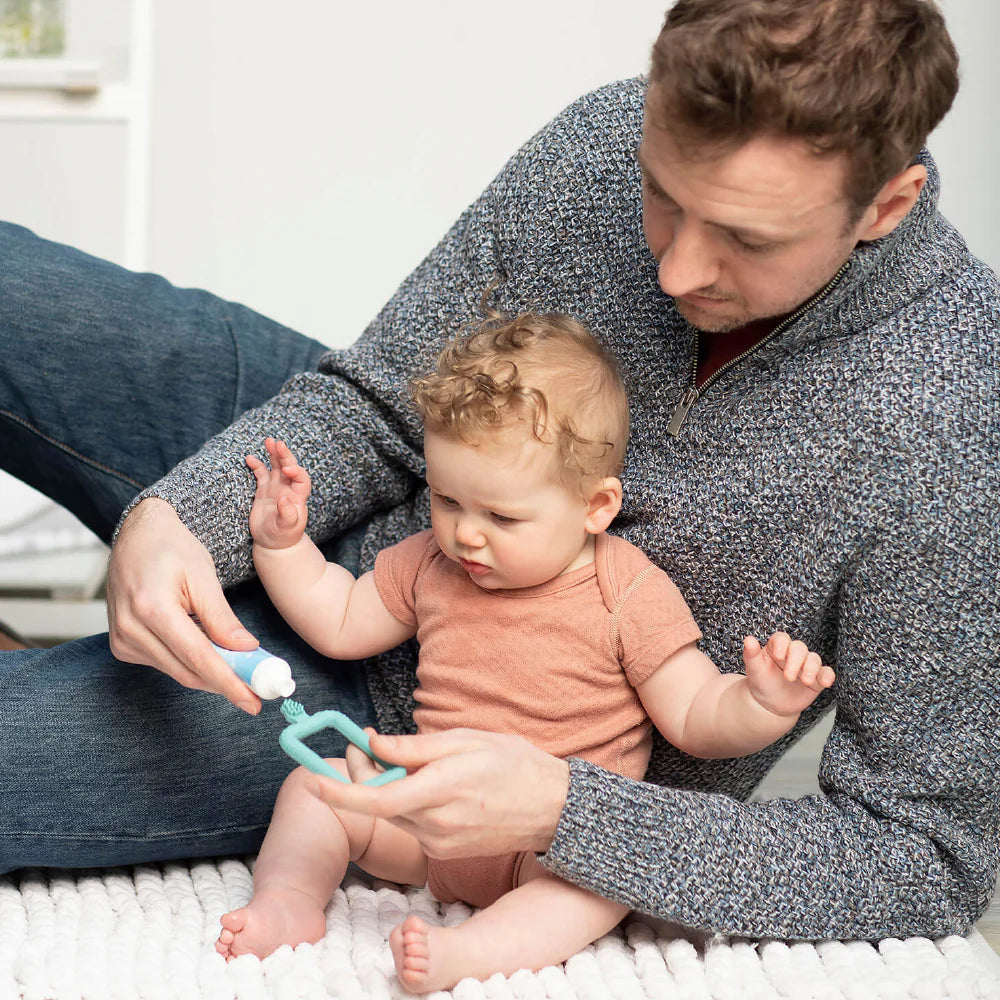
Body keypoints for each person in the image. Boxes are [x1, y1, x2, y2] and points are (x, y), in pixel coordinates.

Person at [0, 0, 996, 947]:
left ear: (887, 203)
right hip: (366, 483)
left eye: (745, 237)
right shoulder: (604, 138)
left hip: (401, 726)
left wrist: (569, 807)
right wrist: (186, 513)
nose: (674, 270)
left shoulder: (957, 410)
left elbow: (922, 853)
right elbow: (383, 402)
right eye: (659, 192)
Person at [213, 316, 835, 990]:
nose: (466, 536)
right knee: (315, 788)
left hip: (553, 846)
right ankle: (286, 906)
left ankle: (469, 956)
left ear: (595, 506)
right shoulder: (429, 562)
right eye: (447, 500)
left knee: (600, 887)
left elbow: (693, 714)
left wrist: (761, 703)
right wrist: (283, 546)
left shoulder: (625, 588)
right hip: (426, 822)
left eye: (502, 517)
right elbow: (339, 619)